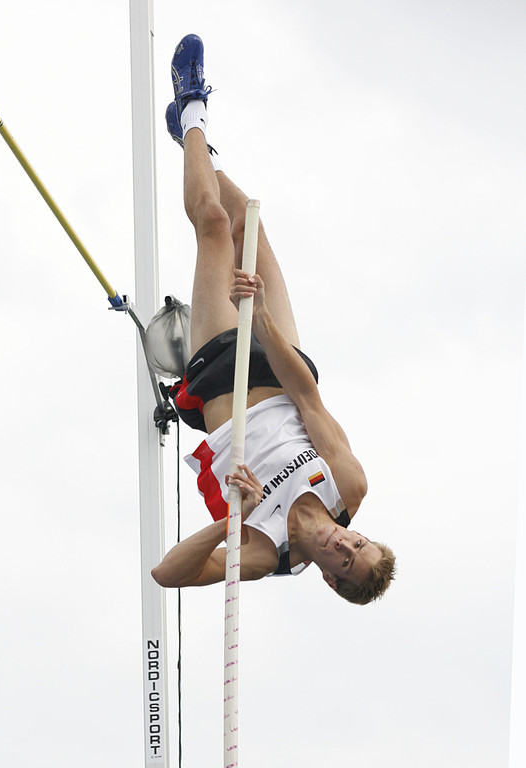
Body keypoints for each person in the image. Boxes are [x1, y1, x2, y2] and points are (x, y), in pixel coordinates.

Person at [151, 34, 396, 605]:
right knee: (249, 224)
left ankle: (192, 110)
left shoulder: (265, 553)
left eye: (346, 558)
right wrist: (261, 318)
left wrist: (233, 517)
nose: (346, 541)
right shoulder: (347, 485)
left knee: (213, 224)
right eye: (359, 541)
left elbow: (168, 574)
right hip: (279, 363)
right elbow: (307, 398)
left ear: (332, 578)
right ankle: (199, 149)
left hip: (219, 383)